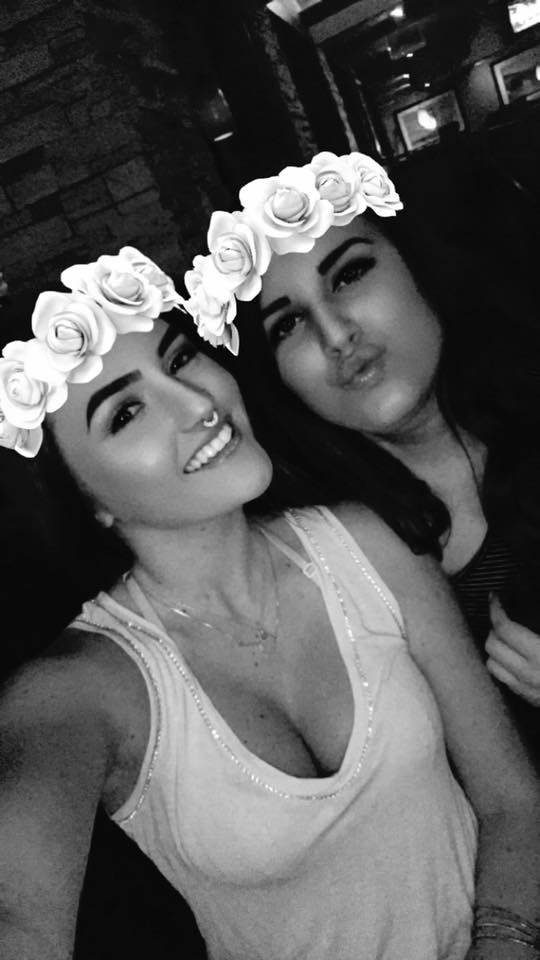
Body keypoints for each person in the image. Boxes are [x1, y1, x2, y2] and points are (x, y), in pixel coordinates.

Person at [0, 244, 538, 960]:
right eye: (127, 412)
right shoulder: (82, 688)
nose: (198, 405)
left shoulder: (369, 540)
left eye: (181, 359)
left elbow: (512, 801)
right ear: (84, 498)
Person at [181, 151, 540, 750]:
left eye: (348, 276)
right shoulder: (324, 565)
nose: (336, 335)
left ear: (418, 267)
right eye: (288, 325)